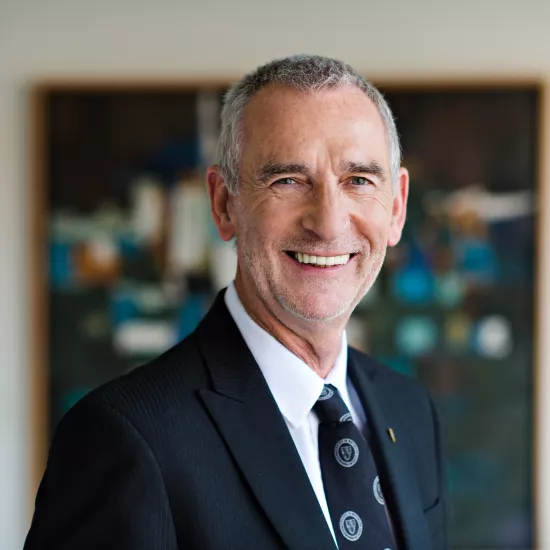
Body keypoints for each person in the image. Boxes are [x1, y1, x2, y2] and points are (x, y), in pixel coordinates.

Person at [24, 55, 448, 550]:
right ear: (224, 204)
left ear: (396, 208)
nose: (329, 223)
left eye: (358, 181)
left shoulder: (411, 410)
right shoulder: (124, 438)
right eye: (288, 180)